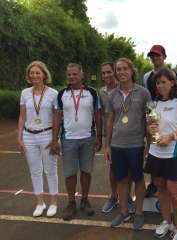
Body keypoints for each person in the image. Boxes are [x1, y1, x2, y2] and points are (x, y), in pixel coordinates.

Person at [144, 67, 177, 240]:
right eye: (157, 83)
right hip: (155, 152)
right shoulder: (153, 103)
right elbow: (150, 127)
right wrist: (150, 129)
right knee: (161, 189)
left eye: (164, 82)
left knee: (174, 192)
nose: (160, 86)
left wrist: (172, 136)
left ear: (172, 83)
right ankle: (166, 221)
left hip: (175, 153)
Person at [104, 58, 151, 230]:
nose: (121, 72)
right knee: (121, 180)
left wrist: (149, 143)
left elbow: (150, 119)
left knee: (138, 180)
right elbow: (110, 121)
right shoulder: (112, 95)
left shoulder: (144, 93)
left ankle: (138, 213)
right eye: (118, 69)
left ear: (132, 71)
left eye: (124, 69)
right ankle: (124, 212)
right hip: (117, 145)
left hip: (136, 144)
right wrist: (108, 145)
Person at [51, 63, 102, 221]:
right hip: (68, 140)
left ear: (82, 75)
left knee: (86, 171)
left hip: (88, 138)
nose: (71, 77)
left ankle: (85, 200)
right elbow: (57, 117)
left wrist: (99, 137)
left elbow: (98, 116)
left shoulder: (92, 92)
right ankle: (71, 202)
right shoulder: (61, 94)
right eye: (69, 75)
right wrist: (54, 140)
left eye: (74, 74)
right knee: (70, 173)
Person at [18, 61, 58, 217]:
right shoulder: (25, 93)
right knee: (35, 171)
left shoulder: (53, 93)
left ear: (44, 74)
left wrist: (55, 139)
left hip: (47, 134)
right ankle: (40, 202)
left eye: (37, 72)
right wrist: (20, 137)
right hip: (29, 135)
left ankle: (54, 202)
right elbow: (22, 116)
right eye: (31, 73)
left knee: (50, 170)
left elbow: (56, 119)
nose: (34, 75)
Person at [142, 44, 177, 198]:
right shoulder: (146, 76)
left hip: (169, 112)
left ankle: (170, 180)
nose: (155, 58)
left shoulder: (172, 74)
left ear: (164, 56)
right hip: (152, 111)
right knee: (152, 147)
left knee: (168, 145)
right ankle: (154, 182)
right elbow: (146, 96)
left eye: (157, 55)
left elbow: (176, 95)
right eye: (152, 56)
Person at [99, 62, 135, 214]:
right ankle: (114, 196)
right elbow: (102, 115)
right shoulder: (101, 92)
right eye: (103, 73)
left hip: (129, 134)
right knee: (113, 168)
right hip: (111, 135)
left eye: (109, 72)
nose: (107, 75)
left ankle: (126, 198)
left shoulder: (125, 88)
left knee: (129, 169)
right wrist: (103, 138)